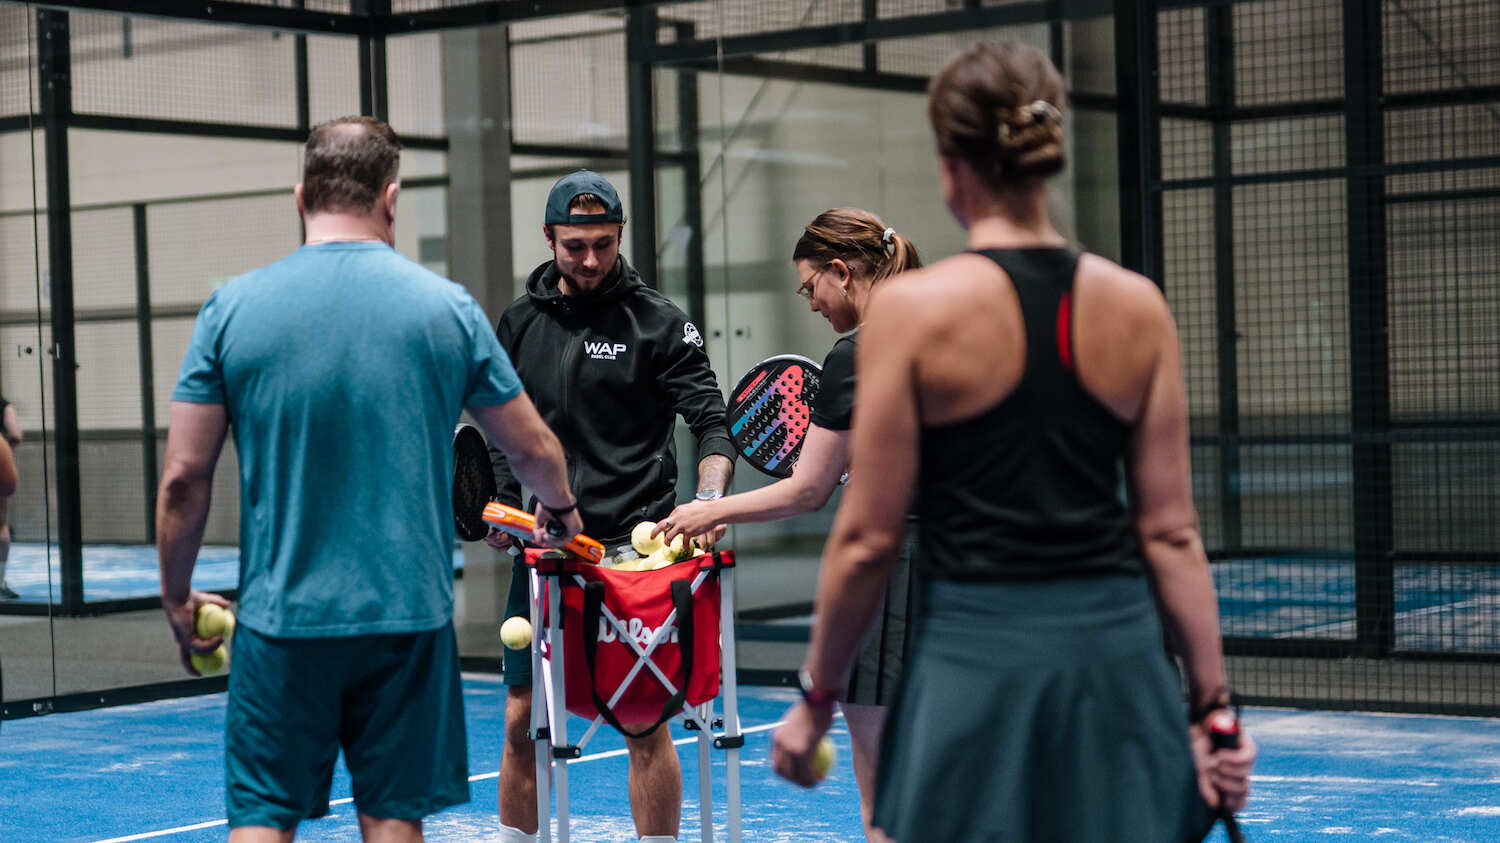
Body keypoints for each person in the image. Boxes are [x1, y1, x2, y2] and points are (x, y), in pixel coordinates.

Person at [770, 43, 1257, 841]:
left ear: (950, 167)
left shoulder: (912, 316)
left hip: (975, 657)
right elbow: (1171, 532)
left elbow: (868, 539)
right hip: (1118, 659)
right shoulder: (1137, 307)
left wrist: (817, 698)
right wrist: (1215, 709)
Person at [156, 115, 582, 843]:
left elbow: (182, 480)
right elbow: (534, 449)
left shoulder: (230, 309)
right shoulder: (446, 309)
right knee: (392, 819)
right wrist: (561, 509)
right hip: (406, 620)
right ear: (391, 199)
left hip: (281, 622)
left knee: (261, 819)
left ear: (301, 198)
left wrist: (175, 596)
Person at [485, 169, 736, 843]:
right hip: (544, 553)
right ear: (549, 238)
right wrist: (503, 506)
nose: (591, 259)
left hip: (634, 557)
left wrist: (710, 498)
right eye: (575, 246)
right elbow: (504, 430)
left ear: (620, 235)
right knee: (521, 719)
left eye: (604, 243)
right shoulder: (519, 323)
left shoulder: (659, 322)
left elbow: (712, 423)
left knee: (642, 721)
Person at [655, 208, 920, 842]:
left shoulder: (857, 353)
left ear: (841, 272)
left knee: (885, 800)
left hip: (894, 576)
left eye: (810, 287)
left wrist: (709, 509)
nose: (812, 303)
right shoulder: (949, 327)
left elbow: (808, 488)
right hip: (976, 577)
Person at [0, 394, 20, 600]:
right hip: (1, 450)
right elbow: (15, 434)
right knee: (1, 524)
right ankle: (0, 581)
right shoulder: (3, 403)